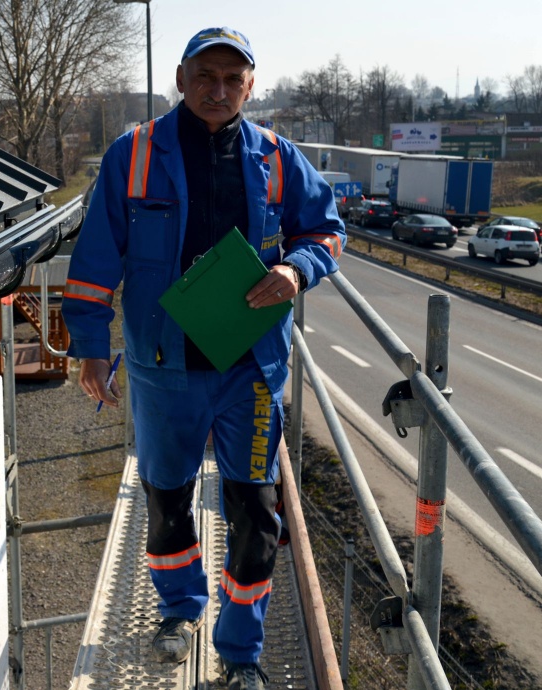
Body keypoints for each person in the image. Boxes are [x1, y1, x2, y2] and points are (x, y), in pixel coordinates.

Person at [62, 26, 346, 690]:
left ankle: (241, 651)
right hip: (165, 367)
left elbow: (327, 231)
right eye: (205, 77)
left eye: (232, 80)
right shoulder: (134, 154)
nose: (218, 91)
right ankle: (179, 609)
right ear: (182, 79)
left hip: (251, 367)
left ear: (250, 86)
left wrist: (297, 270)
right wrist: (91, 350)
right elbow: (95, 259)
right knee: (167, 499)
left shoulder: (277, 157)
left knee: (255, 510)